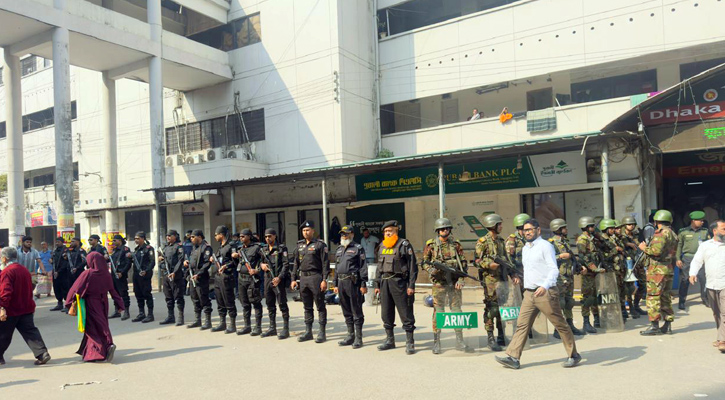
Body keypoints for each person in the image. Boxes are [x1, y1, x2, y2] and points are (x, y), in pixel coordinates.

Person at [495, 219, 581, 370]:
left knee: (560, 324)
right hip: (529, 293)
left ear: (538, 230)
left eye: (530, 229)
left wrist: (545, 286)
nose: (527, 232)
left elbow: (553, 269)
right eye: (525, 230)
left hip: (545, 292)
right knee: (522, 325)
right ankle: (513, 357)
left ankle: (573, 355)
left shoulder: (545, 246)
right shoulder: (526, 249)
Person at [422, 218, 471, 354]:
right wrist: (431, 270)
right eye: (442, 229)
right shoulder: (431, 245)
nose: (445, 230)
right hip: (439, 284)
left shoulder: (456, 244)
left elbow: (463, 264)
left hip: (454, 283)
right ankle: (437, 341)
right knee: (439, 312)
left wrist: (461, 279)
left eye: (447, 228)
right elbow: (424, 262)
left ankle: (459, 340)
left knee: (456, 311)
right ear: (438, 231)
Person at [64, 252, 124, 362]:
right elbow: (113, 291)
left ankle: (99, 352)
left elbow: (76, 289)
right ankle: (106, 346)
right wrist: (120, 304)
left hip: (90, 303)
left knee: (92, 327)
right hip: (103, 303)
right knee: (102, 324)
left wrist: (69, 302)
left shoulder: (88, 273)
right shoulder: (106, 274)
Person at [0, 247, 51, 366]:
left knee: (3, 333)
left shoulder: (7, 272)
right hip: (26, 307)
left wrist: (2, 306)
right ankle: (42, 353)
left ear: (4, 258)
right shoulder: (23, 269)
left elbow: (5, 292)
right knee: (30, 332)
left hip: (12, 309)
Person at [374, 220, 417, 355]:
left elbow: (412, 267)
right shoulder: (381, 246)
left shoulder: (404, 245)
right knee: (386, 313)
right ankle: (390, 340)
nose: (387, 233)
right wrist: (377, 284)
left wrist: (411, 285)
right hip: (385, 282)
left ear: (396, 231)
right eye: (386, 231)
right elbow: (379, 267)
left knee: (405, 312)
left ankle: (410, 342)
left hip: (400, 282)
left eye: (390, 231)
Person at [475, 213, 517, 351]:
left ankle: (501, 335)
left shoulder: (500, 241)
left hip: (502, 280)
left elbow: (506, 260)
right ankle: (490, 337)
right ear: (493, 225)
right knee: (491, 309)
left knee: (502, 308)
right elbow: (477, 261)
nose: (501, 226)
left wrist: (513, 274)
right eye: (499, 224)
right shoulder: (482, 242)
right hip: (490, 281)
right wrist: (489, 264)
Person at [639, 210, 679, 336]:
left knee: (653, 297)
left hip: (657, 270)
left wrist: (644, 248)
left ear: (656, 221)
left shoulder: (661, 234)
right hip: (667, 269)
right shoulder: (673, 233)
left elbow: (656, 251)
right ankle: (667, 324)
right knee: (665, 297)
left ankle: (654, 326)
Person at [291, 222, 330, 343]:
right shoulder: (299, 246)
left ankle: (322, 332)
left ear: (313, 231)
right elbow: (296, 264)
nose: (305, 232)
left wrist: (324, 280)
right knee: (307, 306)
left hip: (316, 277)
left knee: (320, 305)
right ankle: (308, 331)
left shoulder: (320, 245)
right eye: (303, 230)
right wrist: (293, 279)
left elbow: (325, 264)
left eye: (308, 230)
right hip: (303, 278)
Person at [689, 220, 725, 352]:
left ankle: (722, 340)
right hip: (711, 284)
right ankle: (720, 335)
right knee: (716, 313)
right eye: (723, 229)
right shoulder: (705, 246)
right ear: (714, 231)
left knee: (724, 312)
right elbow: (697, 260)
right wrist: (692, 273)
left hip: (724, 284)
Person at [548, 219, 585, 337]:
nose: (566, 229)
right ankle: (557, 329)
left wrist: (579, 266)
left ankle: (570, 325)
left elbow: (572, 258)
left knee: (569, 302)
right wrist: (560, 256)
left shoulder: (565, 242)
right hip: (559, 277)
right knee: (560, 303)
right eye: (564, 227)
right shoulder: (551, 243)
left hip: (569, 276)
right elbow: (547, 258)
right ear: (558, 229)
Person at [333, 225, 368, 349]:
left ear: (352, 234)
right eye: (342, 234)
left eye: (346, 234)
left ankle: (358, 337)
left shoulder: (358, 248)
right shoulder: (338, 249)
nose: (344, 236)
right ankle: (350, 335)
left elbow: (363, 266)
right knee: (346, 309)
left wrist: (363, 283)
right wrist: (335, 284)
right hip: (341, 282)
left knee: (356, 309)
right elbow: (337, 268)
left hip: (353, 282)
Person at [677, 211, 711, 310]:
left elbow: (709, 245)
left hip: (701, 258)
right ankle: (682, 301)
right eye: (700, 220)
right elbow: (679, 246)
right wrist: (678, 258)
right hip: (687, 258)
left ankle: (705, 299)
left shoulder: (705, 231)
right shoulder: (683, 232)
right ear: (693, 221)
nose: (702, 222)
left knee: (703, 279)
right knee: (685, 280)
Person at [235, 229, 265, 336]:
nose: (241, 238)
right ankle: (247, 326)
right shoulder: (240, 249)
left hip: (252, 279)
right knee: (245, 303)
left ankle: (258, 327)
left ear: (249, 236)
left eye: (243, 236)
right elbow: (237, 264)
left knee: (255, 302)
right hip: (241, 279)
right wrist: (235, 257)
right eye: (240, 236)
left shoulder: (257, 248)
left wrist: (257, 270)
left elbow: (265, 262)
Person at [599, 219, 628, 323]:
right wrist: (616, 249)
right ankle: (609, 315)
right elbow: (602, 256)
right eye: (611, 228)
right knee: (610, 294)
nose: (613, 230)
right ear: (605, 229)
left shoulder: (613, 238)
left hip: (619, 270)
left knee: (621, 292)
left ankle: (621, 313)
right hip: (610, 271)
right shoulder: (602, 240)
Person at [211, 226, 238, 334]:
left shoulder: (231, 246)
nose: (215, 237)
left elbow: (235, 262)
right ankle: (222, 322)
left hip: (227, 276)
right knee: (220, 300)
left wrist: (226, 266)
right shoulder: (220, 247)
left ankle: (232, 324)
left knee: (228, 300)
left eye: (216, 235)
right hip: (218, 277)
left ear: (221, 234)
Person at [185, 230, 213, 330]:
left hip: (201, 277)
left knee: (203, 298)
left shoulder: (206, 247)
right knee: (195, 298)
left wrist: (199, 274)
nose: (191, 239)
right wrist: (187, 263)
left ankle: (208, 321)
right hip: (192, 277)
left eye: (193, 237)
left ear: (199, 237)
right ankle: (198, 320)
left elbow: (207, 263)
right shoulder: (194, 247)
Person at [577, 216, 601, 333]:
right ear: (586, 227)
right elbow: (583, 257)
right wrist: (594, 268)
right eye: (591, 226)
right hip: (588, 273)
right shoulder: (582, 240)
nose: (593, 228)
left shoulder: (591, 238)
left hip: (594, 272)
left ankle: (597, 318)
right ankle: (586, 322)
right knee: (587, 298)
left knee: (595, 296)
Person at [158, 230, 187, 326]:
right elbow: (162, 262)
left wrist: (175, 272)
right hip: (166, 275)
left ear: (175, 236)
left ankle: (180, 317)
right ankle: (171, 316)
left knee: (178, 297)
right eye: (167, 236)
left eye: (170, 235)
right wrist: (160, 260)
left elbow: (180, 260)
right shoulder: (165, 248)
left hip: (176, 275)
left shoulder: (179, 247)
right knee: (168, 297)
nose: (168, 237)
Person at [622, 215, 647, 317]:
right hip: (628, 264)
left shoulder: (636, 234)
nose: (631, 226)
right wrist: (627, 244)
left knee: (643, 285)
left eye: (633, 224)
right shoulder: (621, 236)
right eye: (629, 224)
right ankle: (631, 307)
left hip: (638, 263)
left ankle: (636, 305)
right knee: (629, 288)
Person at [130, 232, 155, 323]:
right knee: (138, 294)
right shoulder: (136, 250)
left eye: (137, 238)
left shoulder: (148, 249)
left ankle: (150, 314)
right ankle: (141, 313)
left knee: (147, 294)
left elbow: (152, 262)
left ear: (142, 239)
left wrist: (147, 270)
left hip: (145, 274)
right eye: (135, 238)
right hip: (136, 275)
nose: (136, 240)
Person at [108, 234, 132, 321]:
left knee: (123, 293)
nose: (113, 242)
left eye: (115, 240)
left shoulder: (125, 250)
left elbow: (128, 263)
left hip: (121, 275)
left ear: (120, 241)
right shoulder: (114, 250)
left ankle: (126, 311)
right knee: (115, 293)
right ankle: (117, 310)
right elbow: (111, 260)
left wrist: (122, 272)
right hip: (113, 275)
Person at [50, 237, 71, 312]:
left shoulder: (66, 250)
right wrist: (51, 261)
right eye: (56, 242)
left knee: (65, 288)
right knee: (56, 287)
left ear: (62, 242)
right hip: (55, 272)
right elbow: (53, 260)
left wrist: (59, 271)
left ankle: (67, 305)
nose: (57, 243)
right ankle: (59, 303)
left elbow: (66, 262)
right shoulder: (55, 250)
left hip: (63, 273)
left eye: (58, 242)